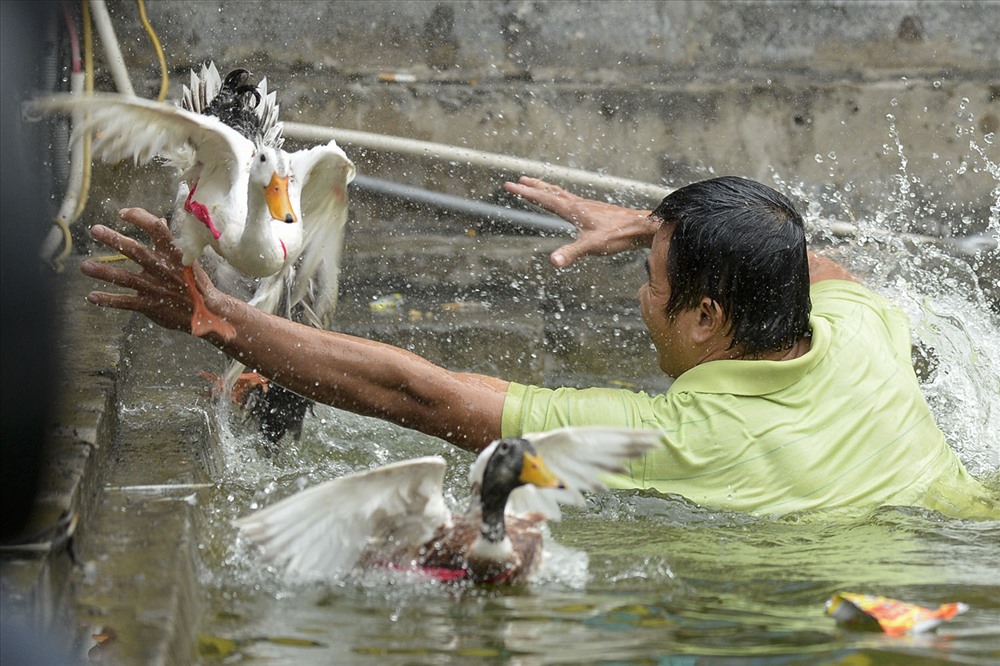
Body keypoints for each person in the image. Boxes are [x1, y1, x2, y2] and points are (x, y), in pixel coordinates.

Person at [78, 175, 997, 518]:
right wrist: (651, 225)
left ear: (709, 321)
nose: (641, 296)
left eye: (653, 279)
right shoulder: (859, 328)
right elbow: (811, 259)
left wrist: (217, 316)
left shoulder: (690, 434)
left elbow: (424, 397)